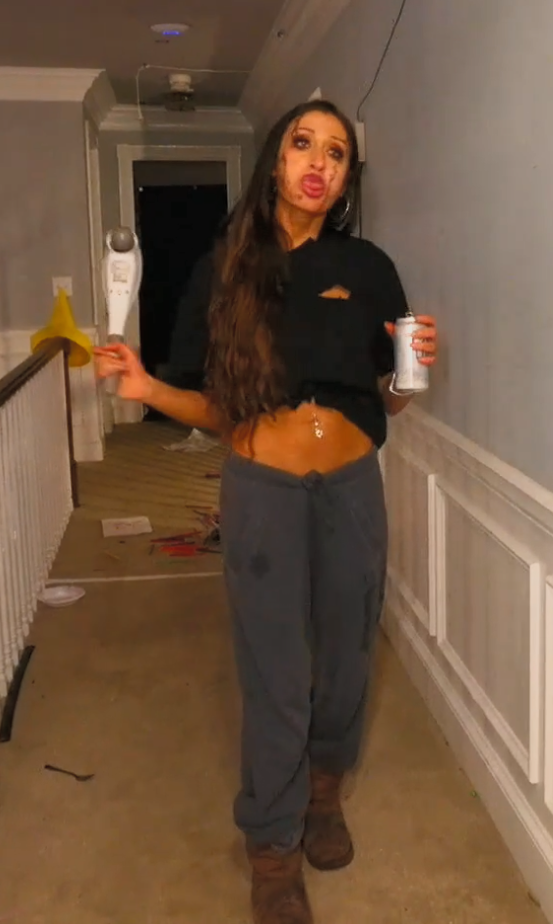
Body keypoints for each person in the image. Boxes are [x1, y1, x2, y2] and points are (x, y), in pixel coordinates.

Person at [94, 99, 438, 924]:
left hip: (350, 486)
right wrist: (144, 389)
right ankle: (272, 846)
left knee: (346, 659)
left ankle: (324, 795)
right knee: (275, 672)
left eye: (336, 153)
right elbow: (218, 411)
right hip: (263, 491)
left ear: (347, 177)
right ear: (275, 163)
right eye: (302, 144)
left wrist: (410, 371)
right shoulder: (226, 269)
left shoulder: (368, 267)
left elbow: (389, 401)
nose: (318, 163)